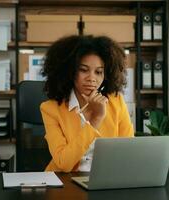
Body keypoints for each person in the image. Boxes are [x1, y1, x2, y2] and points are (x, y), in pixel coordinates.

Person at [40, 35, 134, 172]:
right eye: (83, 70)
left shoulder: (116, 102)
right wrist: (95, 120)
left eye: (98, 72)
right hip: (65, 182)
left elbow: (129, 153)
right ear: (70, 72)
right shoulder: (50, 109)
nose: (92, 78)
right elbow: (63, 164)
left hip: (105, 181)